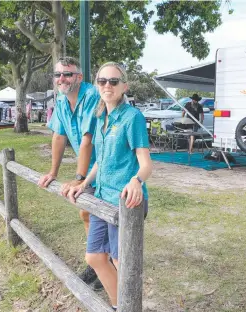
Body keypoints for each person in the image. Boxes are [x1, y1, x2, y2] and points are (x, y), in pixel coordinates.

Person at [67, 62, 152, 310]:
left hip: (125, 202)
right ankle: (119, 305)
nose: (107, 85)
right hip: (101, 198)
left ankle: (128, 306)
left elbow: (146, 164)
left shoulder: (132, 117)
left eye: (113, 81)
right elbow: (99, 162)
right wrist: (84, 183)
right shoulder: (99, 116)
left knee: (119, 259)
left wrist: (136, 180)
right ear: (96, 85)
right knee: (94, 257)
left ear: (124, 86)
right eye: (102, 81)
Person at [37, 56, 103, 290]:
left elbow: (87, 140)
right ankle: (98, 266)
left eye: (67, 74)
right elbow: (58, 136)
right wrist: (52, 172)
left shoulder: (93, 96)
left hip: (105, 167)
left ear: (79, 77)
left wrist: (79, 179)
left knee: (102, 218)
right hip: (90, 169)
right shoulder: (63, 101)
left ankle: (106, 268)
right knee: (88, 214)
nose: (62, 78)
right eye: (58, 74)